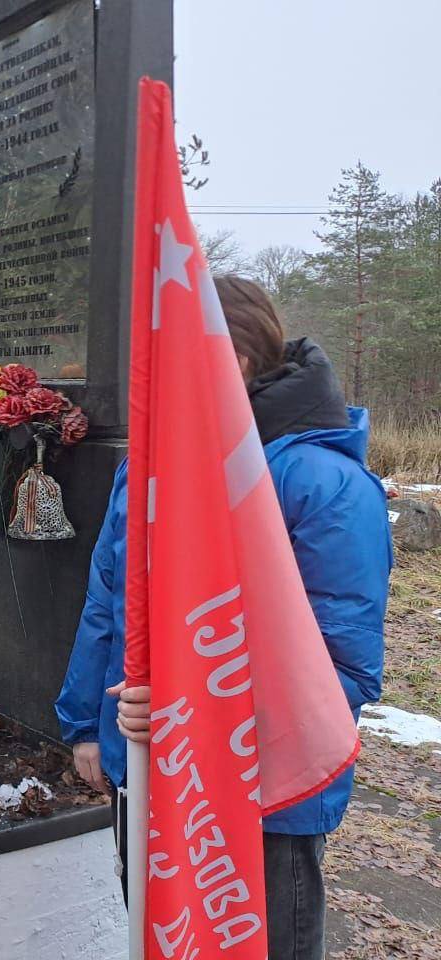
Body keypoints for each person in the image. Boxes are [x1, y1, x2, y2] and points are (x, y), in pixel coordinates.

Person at [54, 276, 391, 960]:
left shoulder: (324, 486)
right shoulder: (148, 467)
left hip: (260, 799)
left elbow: (340, 671)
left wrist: (190, 713)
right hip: (144, 766)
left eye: (162, 356)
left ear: (230, 359)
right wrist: (86, 724)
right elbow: (109, 601)